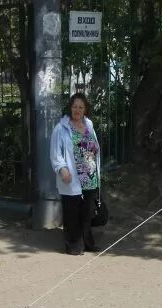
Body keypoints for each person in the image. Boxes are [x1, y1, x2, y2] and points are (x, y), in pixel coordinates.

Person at [50, 93, 101, 255]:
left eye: (80, 107)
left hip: (90, 176)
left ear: (85, 109)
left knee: (87, 213)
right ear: (70, 108)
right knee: (72, 212)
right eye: (74, 106)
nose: (77, 110)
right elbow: (55, 153)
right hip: (72, 176)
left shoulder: (89, 125)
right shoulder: (61, 128)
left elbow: (94, 145)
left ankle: (87, 243)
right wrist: (62, 168)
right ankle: (73, 245)